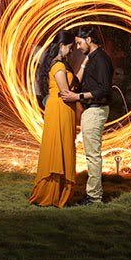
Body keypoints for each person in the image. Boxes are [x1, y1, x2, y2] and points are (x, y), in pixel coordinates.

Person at [60, 25, 113, 205]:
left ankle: (94, 197)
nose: (77, 47)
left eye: (79, 43)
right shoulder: (92, 58)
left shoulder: (101, 60)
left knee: (92, 155)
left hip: (96, 110)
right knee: (91, 154)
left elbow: (104, 90)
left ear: (89, 40)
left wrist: (77, 97)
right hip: (91, 110)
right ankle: (93, 194)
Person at [29, 30, 78, 208]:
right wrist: (82, 96)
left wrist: (84, 66)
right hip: (60, 108)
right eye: (70, 47)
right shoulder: (58, 66)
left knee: (62, 144)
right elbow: (66, 92)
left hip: (63, 108)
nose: (71, 51)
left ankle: (57, 190)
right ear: (62, 46)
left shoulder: (62, 65)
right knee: (58, 145)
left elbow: (73, 84)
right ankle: (51, 193)